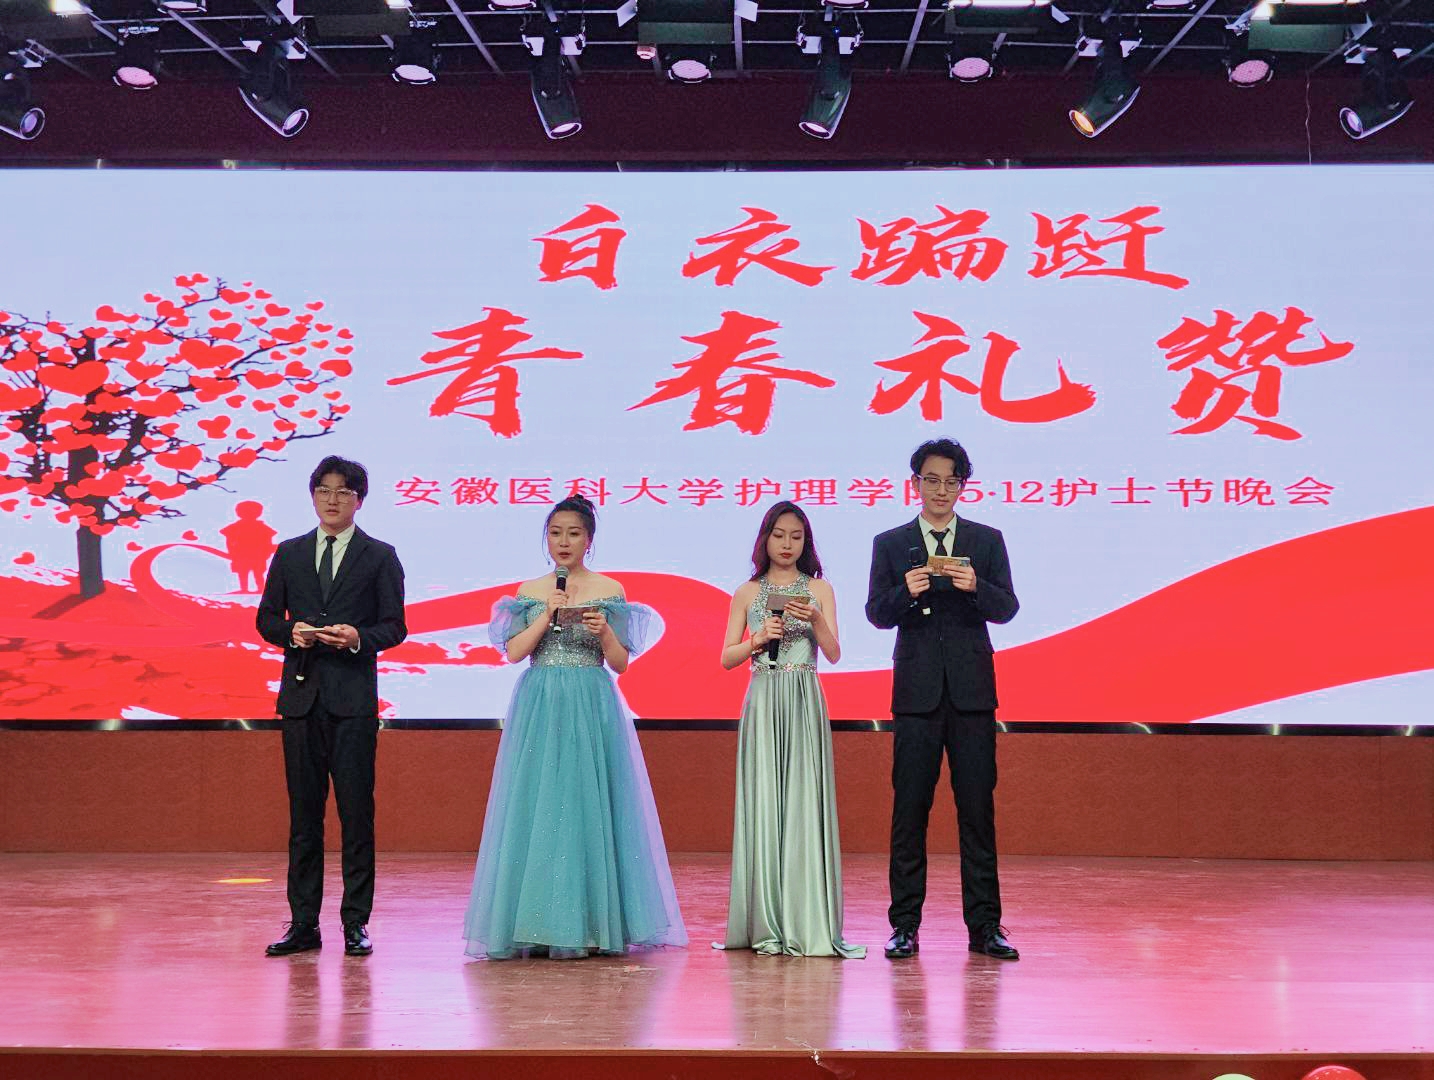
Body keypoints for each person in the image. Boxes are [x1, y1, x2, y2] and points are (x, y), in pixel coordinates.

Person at [463, 495, 687, 960]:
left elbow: (620, 663)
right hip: (541, 702)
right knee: (539, 804)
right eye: (555, 532)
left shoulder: (610, 589)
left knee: (589, 804)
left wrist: (604, 631)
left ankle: (593, 923)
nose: (563, 541)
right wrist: (546, 613)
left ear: (589, 540)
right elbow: (514, 652)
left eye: (574, 533)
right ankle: (535, 923)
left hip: (591, 700)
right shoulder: (530, 590)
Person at [865, 438, 1020, 962]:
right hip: (916, 696)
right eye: (931, 480)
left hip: (972, 695)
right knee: (909, 811)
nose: (940, 490)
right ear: (915, 483)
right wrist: (905, 592)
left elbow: (1007, 607)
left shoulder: (986, 540)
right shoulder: (891, 543)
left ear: (962, 486)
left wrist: (975, 585)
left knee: (977, 812)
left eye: (951, 481)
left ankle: (986, 927)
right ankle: (904, 925)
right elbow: (876, 613)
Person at [256, 455, 407, 958]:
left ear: (359, 499)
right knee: (304, 818)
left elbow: (395, 626)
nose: (333, 499)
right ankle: (303, 924)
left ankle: (355, 923)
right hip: (301, 699)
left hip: (352, 701)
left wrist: (357, 638)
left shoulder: (379, 555)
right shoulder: (289, 553)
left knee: (356, 814)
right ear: (313, 495)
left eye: (343, 491)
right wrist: (292, 632)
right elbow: (266, 620)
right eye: (324, 489)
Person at [716, 502, 864, 958]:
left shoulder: (819, 589)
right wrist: (757, 639)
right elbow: (726, 658)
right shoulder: (747, 592)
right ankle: (764, 920)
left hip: (803, 699)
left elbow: (834, 653)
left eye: (796, 537)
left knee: (802, 802)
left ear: (806, 542)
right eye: (779, 535)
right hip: (763, 699)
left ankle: (805, 919)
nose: (786, 544)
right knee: (764, 804)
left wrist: (815, 618)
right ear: (765, 539)